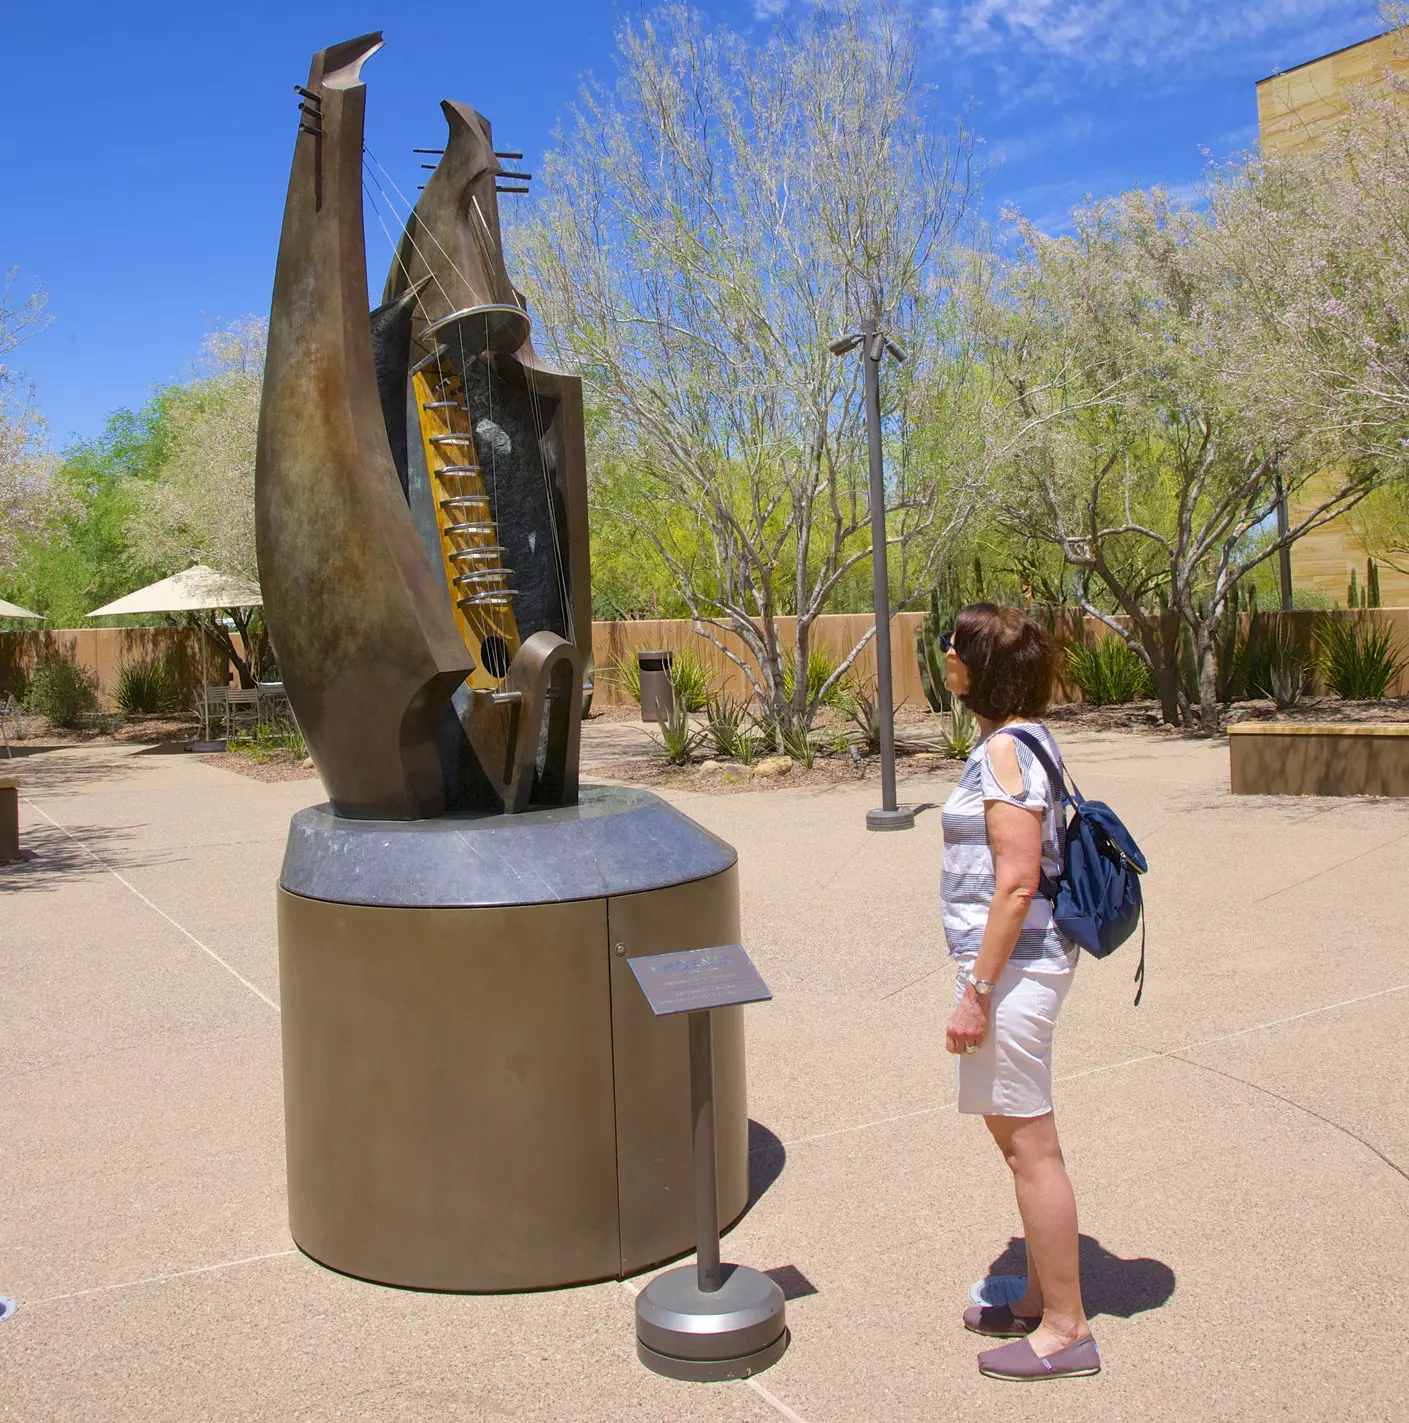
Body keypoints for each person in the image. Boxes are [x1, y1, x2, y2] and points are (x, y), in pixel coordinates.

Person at [939, 603, 1099, 1382]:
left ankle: (1065, 1328)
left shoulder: (1004, 750)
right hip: (1024, 966)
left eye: (953, 645)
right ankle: (1039, 1296)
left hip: (1014, 972)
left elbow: (1015, 884)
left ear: (975, 665)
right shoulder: (1022, 738)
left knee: (1029, 1147)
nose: (943, 654)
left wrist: (974, 990)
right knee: (1018, 1142)